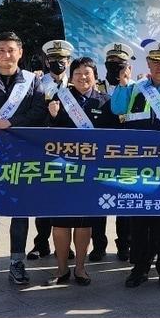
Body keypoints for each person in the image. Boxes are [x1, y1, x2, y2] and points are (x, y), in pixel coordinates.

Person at [0, 32, 49, 286]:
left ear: (20, 52)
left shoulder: (31, 81)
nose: (6, 55)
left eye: (11, 50)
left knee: (20, 210)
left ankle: (17, 262)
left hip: (21, 155)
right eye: (1, 50)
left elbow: (39, 113)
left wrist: (12, 122)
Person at [113, 40, 160, 289]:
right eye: (156, 62)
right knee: (140, 221)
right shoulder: (134, 89)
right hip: (139, 166)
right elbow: (116, 108)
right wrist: (122, 85)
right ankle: (139, 268)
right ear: (148, 64)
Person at [45, 56, 115, 285]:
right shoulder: (60, 99)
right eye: (77, 74)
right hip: (62, 171)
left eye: (87, 73)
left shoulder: (106, 102)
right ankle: (62, 268)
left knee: (85, 222)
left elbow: (113, 136)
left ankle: (81, 268)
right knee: (61, 222)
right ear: (71, 77)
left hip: (91, 172)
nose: (83, 77)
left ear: (95, 76)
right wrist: (53, 117)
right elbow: (46, 136)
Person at [29, 40, 76, 261]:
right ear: (47, 61)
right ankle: (41, 243)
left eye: (63, 60)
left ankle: (64, 245)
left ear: (69, 62)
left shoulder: (77, 83)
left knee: (67, 198)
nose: (59, 63)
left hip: (70, 150)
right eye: (54, 60)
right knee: (43, 198)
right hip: (44, 148)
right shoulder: (37, 83)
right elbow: (34, 114)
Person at [101, 42, 135, 262]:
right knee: (100, 199)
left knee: (125, 201)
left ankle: (125, 244)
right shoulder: (95, 86)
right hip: (101, 151)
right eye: (112, 63)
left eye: (120, 64)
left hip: (128, 151)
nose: (116, 67)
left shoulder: (135, 88)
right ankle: (98, 245)